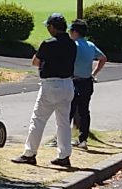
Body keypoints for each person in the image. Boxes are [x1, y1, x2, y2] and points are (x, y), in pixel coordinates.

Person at [15, 13, 79, 168]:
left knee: (38, 119)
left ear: (52, 27)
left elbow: (35, 62)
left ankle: (30, 153)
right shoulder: (72, 44)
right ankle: (64, 155)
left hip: (51, 84)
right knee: (63, 122)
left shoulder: (48, 43)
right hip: (67, 84)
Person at [69, 17, 107, 149]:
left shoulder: (73, 45)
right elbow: (103, 58)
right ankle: (83, 139)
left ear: (75, 32)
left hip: (73, 81)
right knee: (84, 111)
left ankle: (64, 137)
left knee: (69, 110)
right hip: (87, 81)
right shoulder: (90, 45)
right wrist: (94, 73)